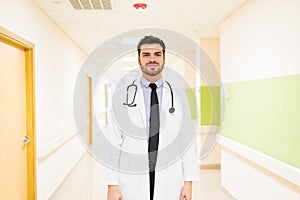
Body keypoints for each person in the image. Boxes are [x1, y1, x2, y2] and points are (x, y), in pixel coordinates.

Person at [105, 35, 199, 200]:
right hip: (133, 176)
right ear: (139, 59)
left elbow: (186, 141)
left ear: (164, 58)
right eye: (146, 55)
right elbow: (113, 143)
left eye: (157, 54)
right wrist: (112, 185)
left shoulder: (179, 97)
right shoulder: (122, 96)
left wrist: (188, 182)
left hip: (168, 177)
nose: (152, 59)